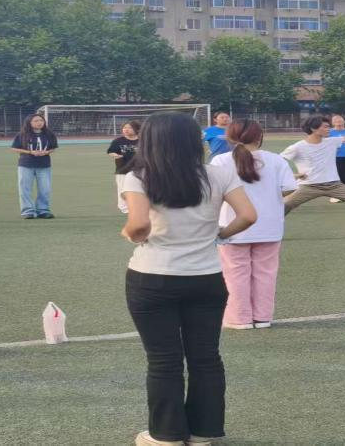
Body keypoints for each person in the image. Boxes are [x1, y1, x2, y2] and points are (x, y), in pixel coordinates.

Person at [119, 112, 257, 446]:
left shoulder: (138, 176)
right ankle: (202, 432)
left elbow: (139, 225)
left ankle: (165, 435)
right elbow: (248, 215)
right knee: (206, 357)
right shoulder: (218, 173)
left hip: (153, 276)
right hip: (206, 277)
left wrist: (130, 234)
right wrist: (221, 234)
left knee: (163, 360)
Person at [209, 120, 297, 329]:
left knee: (234, 274)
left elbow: (213, 192)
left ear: (230, 137)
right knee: (266, 274)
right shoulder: (276, 160)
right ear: (260, 137)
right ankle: (263, 317)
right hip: (269, 226)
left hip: (232, 226)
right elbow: (289, 188)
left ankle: (239, 318)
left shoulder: (220, 161)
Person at [11, 113, 58, 219]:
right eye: (36, 121)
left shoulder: (49, 134)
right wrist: (30, 152)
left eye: (41, 120)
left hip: (44, 165)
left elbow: (53, 148)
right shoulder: (22, 134)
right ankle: (28, 211)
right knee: (25, 188)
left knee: (45, 189)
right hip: (26, 164)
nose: (39, 123)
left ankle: (43, 210)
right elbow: (14, 148)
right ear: (29, 122)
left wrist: (46, 152)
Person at [109, 120, 142, 214]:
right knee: (122, 189)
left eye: (129, 128)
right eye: (124, 128)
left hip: (140, 169)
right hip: (123, 170)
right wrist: (116, 155)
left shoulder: (143, 140)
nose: (126, 130)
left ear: (137, 129)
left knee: (141, 188)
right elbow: (111, 151)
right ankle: (125, 208)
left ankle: (141, 206)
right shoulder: (118, 141)